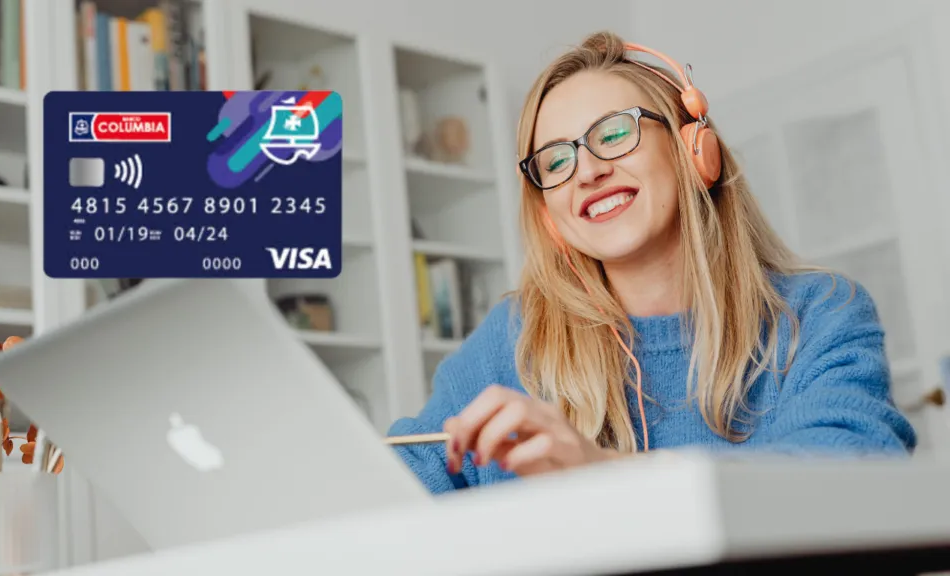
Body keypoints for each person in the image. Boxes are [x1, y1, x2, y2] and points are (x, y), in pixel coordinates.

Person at [386, 31, 916, 495]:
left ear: (694, 151)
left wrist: (604, 472)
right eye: (556, 161)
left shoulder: (819, 316)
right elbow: (396, 481)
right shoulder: (512, 341)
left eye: (614, 133)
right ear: (550, 215)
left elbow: (853, 473)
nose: (587, 172)